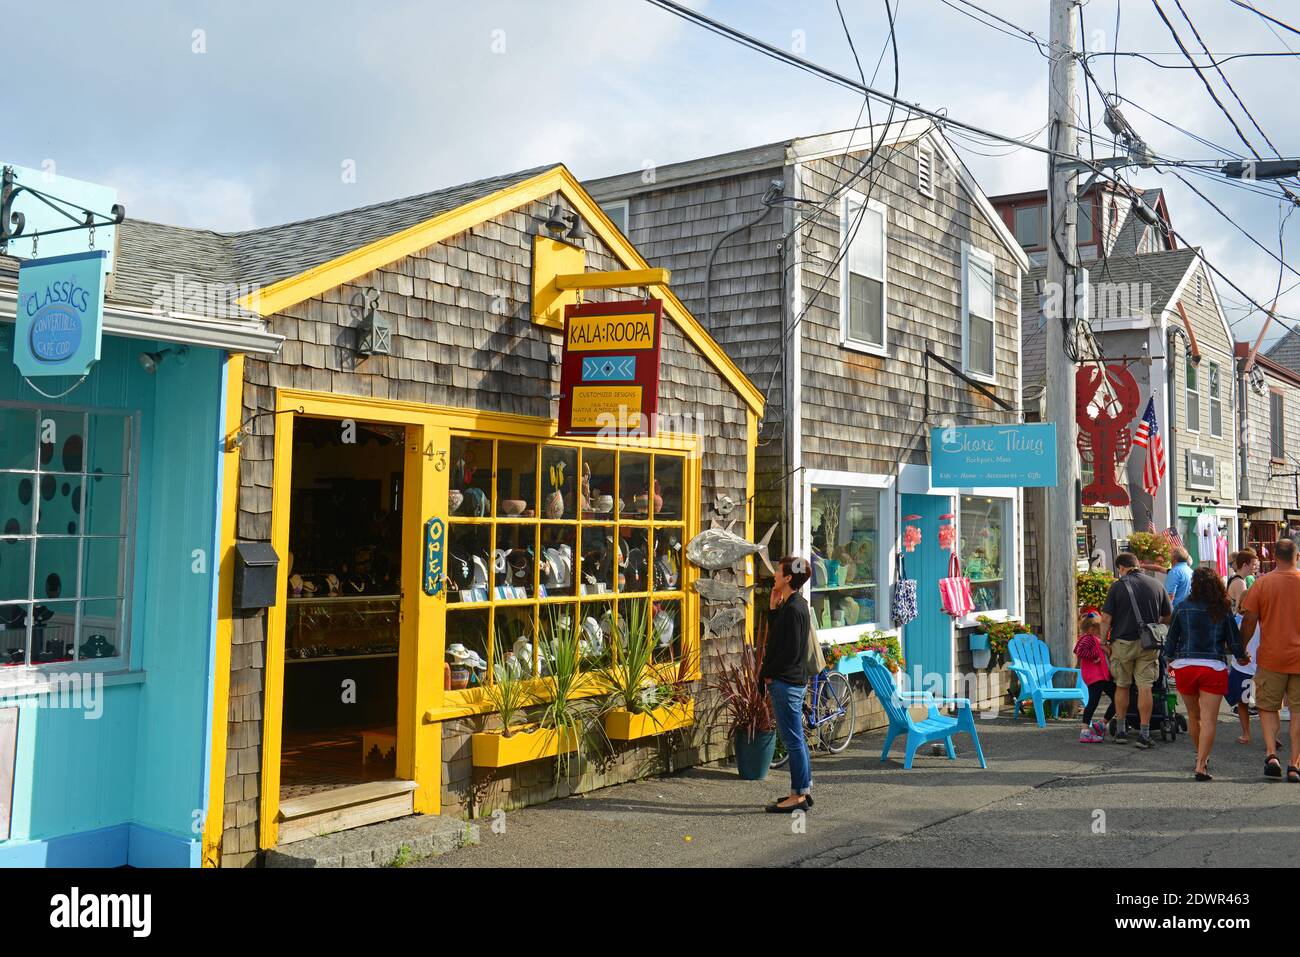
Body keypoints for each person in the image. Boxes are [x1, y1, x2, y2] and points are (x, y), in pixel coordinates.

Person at [1165, 567, 1250, 781]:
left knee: (1194, 716)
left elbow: (1171, 640)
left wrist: (1168, 659)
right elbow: (1233, 641)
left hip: (1186, 666)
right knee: (1209, 719)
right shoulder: (1222, 609)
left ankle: (1199, 755)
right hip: (1213, 667)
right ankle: (1202, 765)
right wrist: (1242, 657)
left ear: (1194, 585)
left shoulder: (1182, 607)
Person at [1238, 538, 1300, 782]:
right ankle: (1295, 763)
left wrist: (1241, 650)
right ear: (1296, 556)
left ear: (1274, 557)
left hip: (1272, 658)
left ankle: (1271, 754)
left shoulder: (1262, 584)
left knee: (1266, 706)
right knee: (1298, 712)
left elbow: (1249, 621)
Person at [1099, 552, 1172, 749]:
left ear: (1121, 568)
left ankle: (1121, 731)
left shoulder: (1117, 586)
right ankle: (1145, 732)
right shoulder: (1156, 585)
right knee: (1145, 687)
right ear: (1137, 564)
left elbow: (1105, 619)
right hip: (1149, 644)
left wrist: (1103, 641)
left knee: (1122, 686)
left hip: (1122, 643)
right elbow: (1168, 615)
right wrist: (1156, 628)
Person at [761, 556, 814, 812]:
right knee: (797, 740)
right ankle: (802, 790)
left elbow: (789, 653)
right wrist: (773, 610)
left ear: (788, 577)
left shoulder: (795, 609)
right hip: (790, 682)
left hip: (787, 683)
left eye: (778, 571)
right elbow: (778, 640)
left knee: (793, 741)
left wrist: (768, 673)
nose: (774, 574)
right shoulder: (792, 604)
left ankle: (799, 797)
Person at [1226, 548, 1261, 745]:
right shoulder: (1265, 620)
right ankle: (1271, 735)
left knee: (1243, 701)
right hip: (1262, 663)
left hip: (1243, 664)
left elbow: (1233, 642)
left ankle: (1246, 733)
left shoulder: (1239, 620)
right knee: (1267, 703)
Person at [1075, 609, 1115, 743]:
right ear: (1092, 629)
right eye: (1100, 629)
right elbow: (1079, 651)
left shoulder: (1093, 639)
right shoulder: (1088, 639)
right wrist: (1095, 656)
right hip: (1095, 677)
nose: (1103, 632)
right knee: (1093, 702)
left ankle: (1101, 723)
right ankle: (1085, 730)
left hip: (1102, 676)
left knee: (1118, 698)